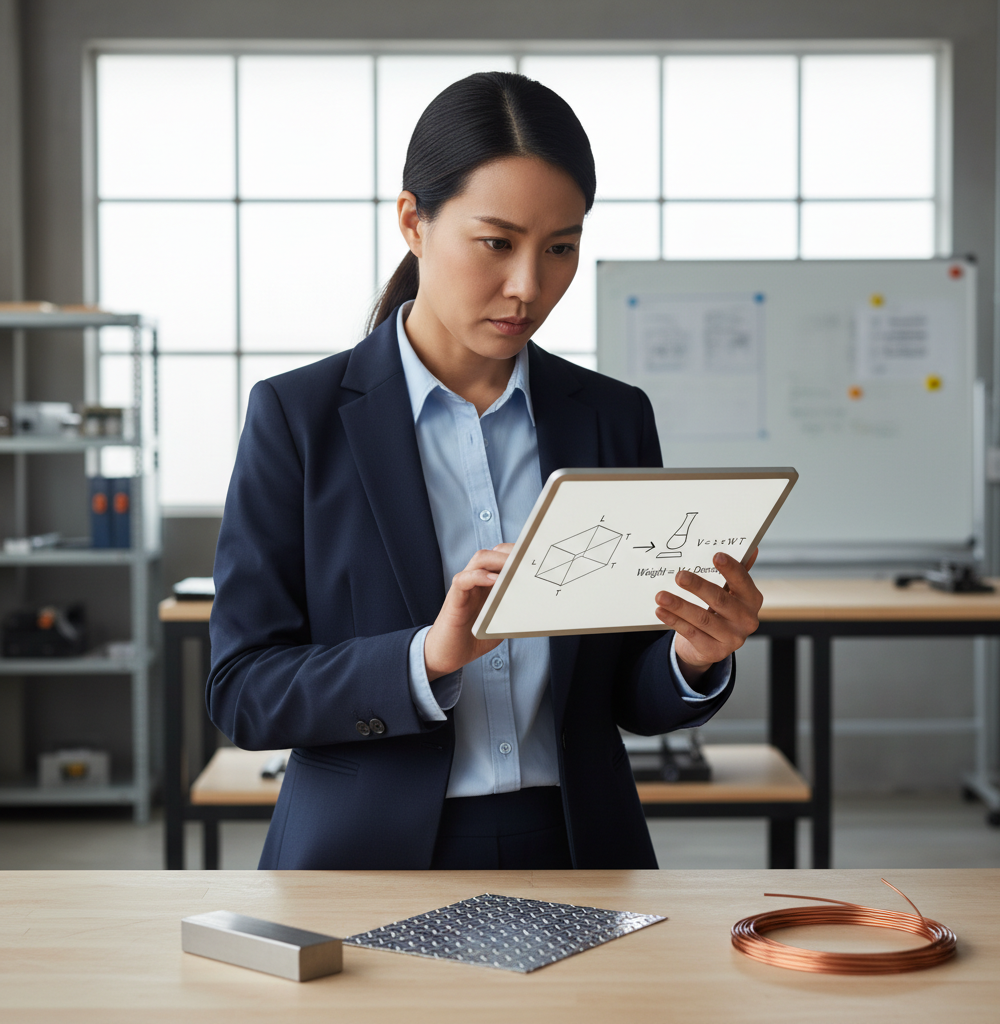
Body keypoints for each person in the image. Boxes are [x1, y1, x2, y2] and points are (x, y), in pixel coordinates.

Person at [207, 71, 763, 871]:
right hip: (362, 859)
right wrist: (425, 657)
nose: (528, 287)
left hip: (579, 848)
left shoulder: (611, 417)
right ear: (414, 222)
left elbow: (626, 693)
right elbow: (243, 691)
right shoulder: (299, 418)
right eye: (497, 242)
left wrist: (695, 655)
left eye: (561, 247)